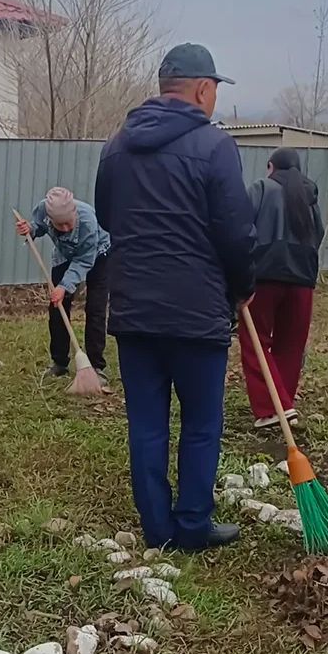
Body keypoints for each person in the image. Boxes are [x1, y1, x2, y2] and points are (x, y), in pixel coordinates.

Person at [94, 43, 256, 552]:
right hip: (196, 313)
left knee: (147, 424)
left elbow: (104, 218)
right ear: (205, 90)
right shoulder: (215, 147)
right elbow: (236, 233)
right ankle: (191, 526)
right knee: (202, 424)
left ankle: (156, 530)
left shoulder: (116, 146)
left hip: (135, 312)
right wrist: (243, 289)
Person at [238, 148, 325, 429]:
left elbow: (242, 228)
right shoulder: (310, 195)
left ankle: (272, 407)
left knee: (256, 340)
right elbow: (319, 234)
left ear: (270, 166)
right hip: (302, 278)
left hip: (265, 275)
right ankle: (284, 402)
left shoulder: (262, 188)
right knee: (291, 342)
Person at [16, 187, 111, 381]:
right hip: (64, 256)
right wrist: (30, 230)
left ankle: (95, 367)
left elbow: (84, 260)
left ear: (74, 213)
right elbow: (39, 226)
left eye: (69, 223)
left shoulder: (88, 221)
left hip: (98, 256)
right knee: (57, 307)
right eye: (60, 225)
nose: (66, 228)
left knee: (95, 309)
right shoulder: (43, 209)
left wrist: (64, 286)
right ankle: (59, 364)